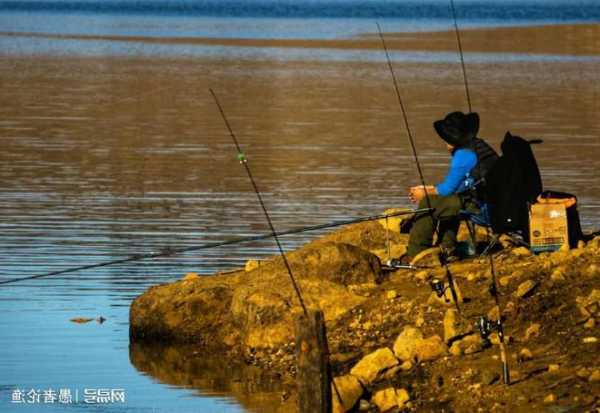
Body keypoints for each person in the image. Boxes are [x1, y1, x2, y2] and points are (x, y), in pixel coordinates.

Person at [403, 111, 497, 261]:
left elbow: (447, 191)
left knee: (430, 203)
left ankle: (416, 253)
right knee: (448, 202)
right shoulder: (480, 146)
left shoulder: (463, 155)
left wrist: (424, 194)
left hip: (484, 210)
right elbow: (459, 185)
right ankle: (447, 247)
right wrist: (429, 189)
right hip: (494, 205)